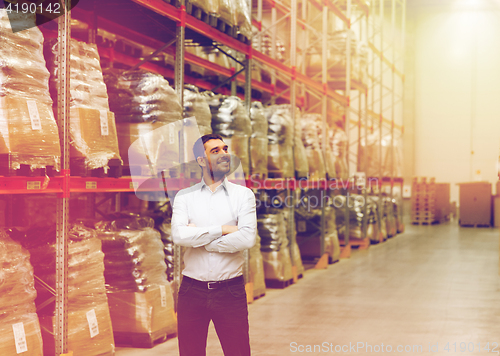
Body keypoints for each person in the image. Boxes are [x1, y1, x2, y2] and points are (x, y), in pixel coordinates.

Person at [171, 133, 256, 356]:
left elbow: (247, 238)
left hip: (230, 291)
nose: (224, 154)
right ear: (201, 160)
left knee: (238, 352)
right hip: (192, 291)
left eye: (225, 149)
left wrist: (201, 240)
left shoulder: (243, 195)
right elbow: (179, 237)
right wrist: (222, 230)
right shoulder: (184, 197)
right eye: (215, 151)